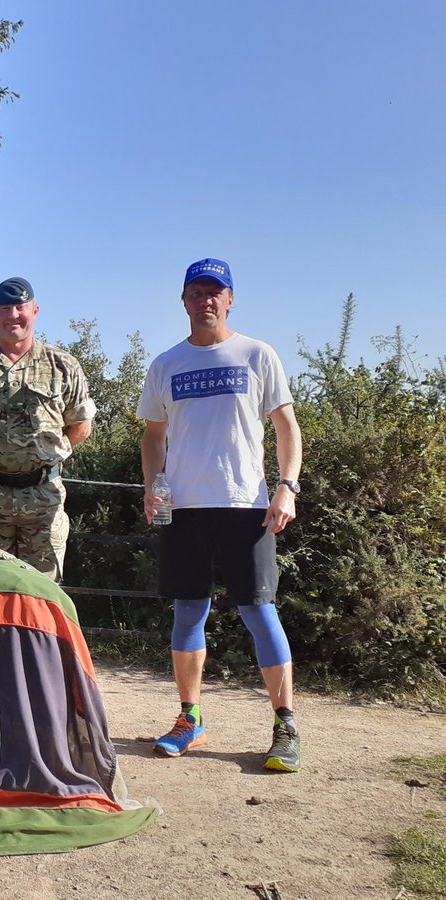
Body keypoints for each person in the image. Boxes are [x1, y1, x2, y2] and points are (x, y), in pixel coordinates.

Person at [138, 257, 303, 773]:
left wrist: (287, 487)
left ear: (230, 299)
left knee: (259, 613)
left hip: (246, 507)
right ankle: (190, 719)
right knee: (188, 614)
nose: (206, 299)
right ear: (183, 300)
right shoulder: (165, 364)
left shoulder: (257, 354)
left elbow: (287, 428)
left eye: (216, 291)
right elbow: (153, 435)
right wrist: (151, 488)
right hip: (183, 511)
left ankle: (285, 726)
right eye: (197, 291)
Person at [0, 277, 96, 580]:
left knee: (41, 594)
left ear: (35, 310)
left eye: (19, 307)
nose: (13, 315)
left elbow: (82, 425)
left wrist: (52, 452)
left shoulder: (62, 365)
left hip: (43, 499)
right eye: (4, 309)